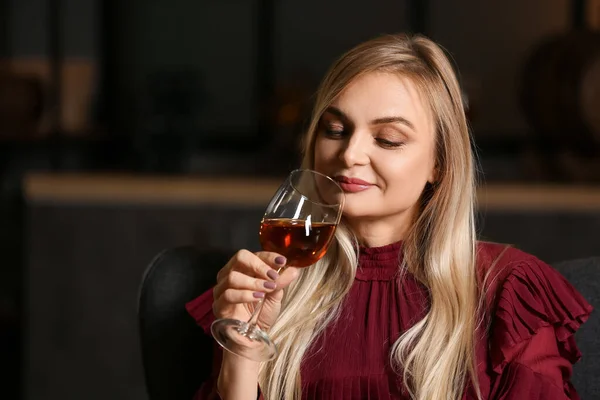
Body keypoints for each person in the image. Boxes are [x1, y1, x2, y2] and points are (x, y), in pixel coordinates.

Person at [185, 33, 593, 400]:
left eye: (388, 139)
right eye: (335, 130)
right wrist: (240, 356)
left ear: (440, 163)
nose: (349, 155)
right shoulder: (267, 292)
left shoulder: (510, 291)